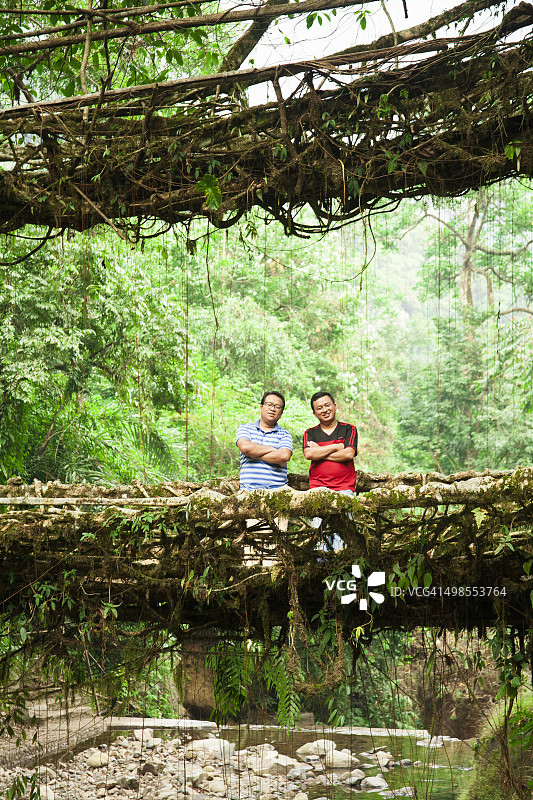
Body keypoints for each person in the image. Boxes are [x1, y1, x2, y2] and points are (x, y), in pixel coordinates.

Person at [303, 390, 357, 549]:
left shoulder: (349, 429)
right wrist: (336, 447)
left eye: (327, 405)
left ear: (335, 406)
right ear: (314, 413)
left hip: (344, 489)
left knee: (344, 539)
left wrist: (319, 452)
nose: (324, 410)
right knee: (320, 538)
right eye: (319, 408)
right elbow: (309, 454)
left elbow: (348, 454)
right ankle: (322, 571)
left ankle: (345, 571)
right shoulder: (310, 433)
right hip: (318, 489)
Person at [236, 391, 293, 490]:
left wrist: (253, 454)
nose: (272, 409)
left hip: (278, 492)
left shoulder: (285, 434)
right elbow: (245, 448)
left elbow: (284, 456)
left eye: (277, 406)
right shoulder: (245, 428)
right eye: (269, 404)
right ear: (261, 407)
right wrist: (274, 450)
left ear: (281, 413)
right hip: (248, 491)